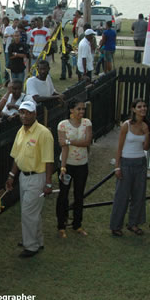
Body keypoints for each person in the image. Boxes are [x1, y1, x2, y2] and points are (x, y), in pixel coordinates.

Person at [5, 101, 54, 258]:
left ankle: (31, 246)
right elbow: (17, 156)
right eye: (22, 112)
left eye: (28, 113)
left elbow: (48, 160)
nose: (24, 116)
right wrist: (11, 175)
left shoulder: (44, 133)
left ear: (35, 114)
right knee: (32, 213)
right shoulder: (21, 131)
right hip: (23, 177)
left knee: (28, 213)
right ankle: (36, 240)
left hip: (37, 177)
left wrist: (48, 183)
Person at [110, 98, 150, 236]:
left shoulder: (145, 125)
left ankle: (134, 223)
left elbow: (146, 147)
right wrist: (117, 167)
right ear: (133, 109)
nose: (143, 109)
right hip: (126, 163)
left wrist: (147, 133)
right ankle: (116, 225)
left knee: (139, 195)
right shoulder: (126, 125)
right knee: (122, 196)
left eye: (144, 106)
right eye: (139, 106)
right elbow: (119, 147)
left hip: (140, 163)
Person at [56, 100, 92, 238]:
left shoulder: (87, 123)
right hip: (67, 165)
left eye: (83, 109)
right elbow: (63, 146)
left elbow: (87, 142)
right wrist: (63, 167)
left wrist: (69, 141)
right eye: (79, 109)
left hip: (82, 165)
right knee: (63, 195)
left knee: (79, 195)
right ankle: (61, 224)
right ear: (71, 110)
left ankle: (77, 224)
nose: (81, 111)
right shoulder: (63, 125)